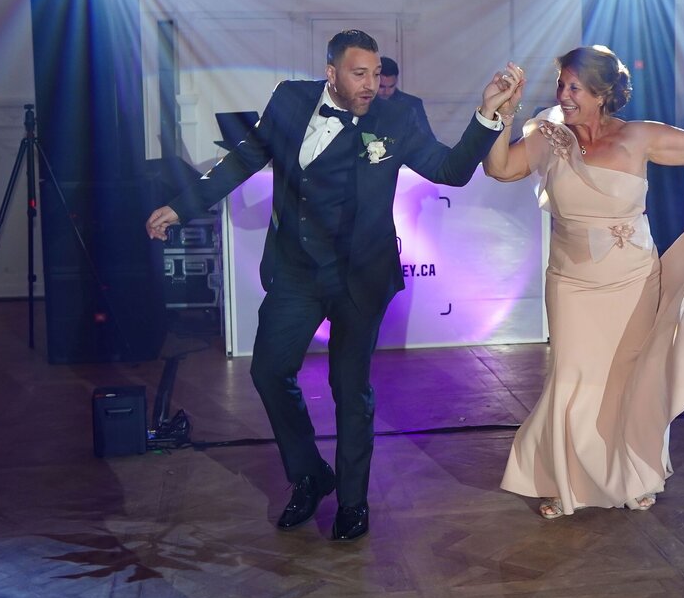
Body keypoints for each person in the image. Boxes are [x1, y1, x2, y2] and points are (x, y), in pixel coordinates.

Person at [145, 31, 524, 541]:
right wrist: (183, 204)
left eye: (375, 75)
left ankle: (352, 502)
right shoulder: (289, 99)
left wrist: (487, 115)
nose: (371, 85)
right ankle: (309, 474)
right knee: (268, 371)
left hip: (360, 276)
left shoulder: (398, 117)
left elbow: (451, 171)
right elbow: (243, 158)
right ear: (332, 73)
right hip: (296, 271)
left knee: (350, 390)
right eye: (359, 74)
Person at [482, 45, 684, 518]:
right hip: (571, 282)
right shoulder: (547, 134)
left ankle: (633, 475)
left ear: (601, 94)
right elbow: (499, 168)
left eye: (574, 87)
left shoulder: (638, 137)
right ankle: (561, 480)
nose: (563, 95)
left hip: (632, 279)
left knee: (629, 377)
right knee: (571, 375)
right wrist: (499, 115)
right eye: (561, 85)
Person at [376, 56, 433, 137]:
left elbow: (428, 139)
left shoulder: (412, 104)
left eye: (391, 86)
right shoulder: (362, 103)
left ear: (396, 81)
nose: (387, 92)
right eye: (381, 87)